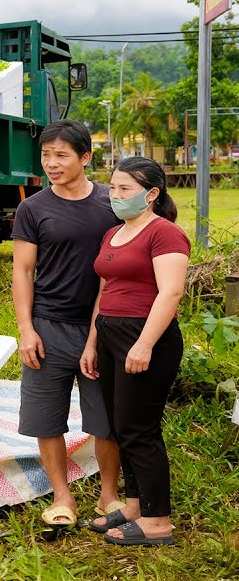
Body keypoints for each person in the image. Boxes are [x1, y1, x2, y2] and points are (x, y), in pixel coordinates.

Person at [11, 120, 123, 528]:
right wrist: (27, 329)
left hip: (103, 327)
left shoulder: (112, 203)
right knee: (46, 416)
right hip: (48, 325)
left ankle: (109, 494)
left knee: (106, 418)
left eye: (61, 155)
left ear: (85, 157)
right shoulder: (32, 208)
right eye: (46, 155)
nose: (52, 163)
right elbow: (23, 271)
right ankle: (62, 495)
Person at [81, 156, 189, 546]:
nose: (116, 194)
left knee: (139, 429)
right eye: (113, 187)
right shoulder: (114, 233)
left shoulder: (165, 234)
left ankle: (157, 521)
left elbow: (171, 292)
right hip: (110, 335)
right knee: (119, 425)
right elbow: (105, 290)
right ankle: (134, 504)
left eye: (125, 189)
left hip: (146, 336)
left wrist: (144, 344)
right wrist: (93, 342)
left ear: (151, 193)